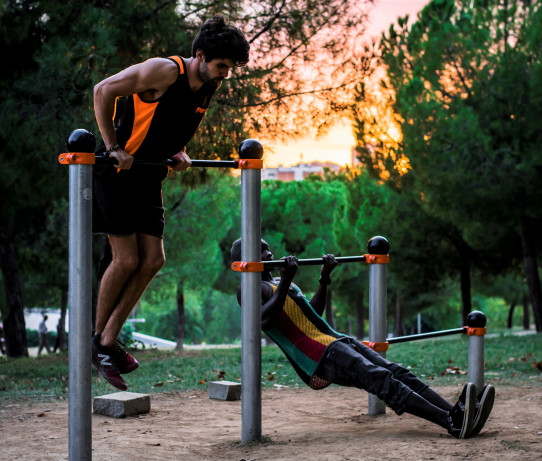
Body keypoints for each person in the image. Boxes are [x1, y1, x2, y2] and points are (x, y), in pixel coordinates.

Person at [91, 15, 250, 391]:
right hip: (117, 174)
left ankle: (107, 342)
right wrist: (113, 147)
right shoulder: (163, 71)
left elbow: (169, 123)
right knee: (126, 259)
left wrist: (178, 150)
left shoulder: (207, 85)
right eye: (221, 65)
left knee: (154, 260)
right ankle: (96, 342)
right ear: (199, 55)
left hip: (148, 176)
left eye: (230, 68)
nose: (226, 74)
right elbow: (103, 90)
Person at [231, 239, 495, 439]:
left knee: (396, 371)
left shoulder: (278, 280)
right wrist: (287, 282)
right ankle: (450, 422)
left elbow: (312, 313)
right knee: (379, 379)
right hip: (317, 355)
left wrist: (324, 277)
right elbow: (263, 322)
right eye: (262, 250)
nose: (269, 253)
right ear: (246, 259)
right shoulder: (249, 288)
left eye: (267, 248)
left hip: (335, 340)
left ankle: (455, 413)